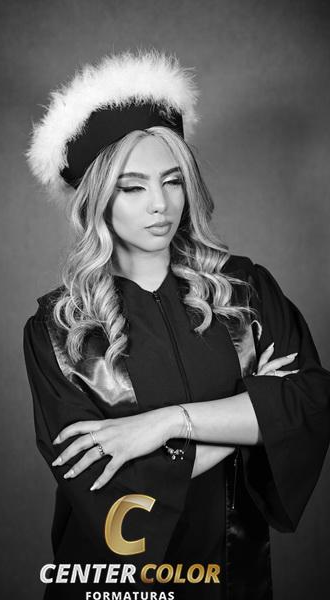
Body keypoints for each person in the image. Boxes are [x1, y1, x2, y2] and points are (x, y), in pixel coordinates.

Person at [23, 49, 330, 600]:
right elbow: (108, 487)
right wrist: (253, 417)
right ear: (98, 199)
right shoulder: (59, 331)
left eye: (172, 181)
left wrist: (165, 425)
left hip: (232, 575)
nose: (160, 205)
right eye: (132, 187)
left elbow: (311, 402)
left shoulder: (244, 291)